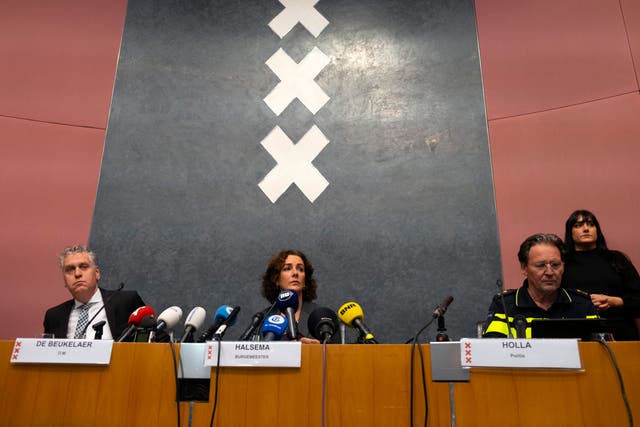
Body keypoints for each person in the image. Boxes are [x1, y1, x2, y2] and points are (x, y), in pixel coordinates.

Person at [483, 233, 598, 338]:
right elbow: (491, 353)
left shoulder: (582, 304)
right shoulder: (504, 304)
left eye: (555, 265)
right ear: (524, 268)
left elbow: (600, 354)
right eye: (540, 265)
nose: (549, 272)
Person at [562, 210, 640, 340]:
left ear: (597, 230)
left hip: (619, 332)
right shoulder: (562, 263)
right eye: (578, 225)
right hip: (576, 333)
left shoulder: (617, 259)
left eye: (591, 224)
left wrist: (615, 301)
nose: (586, 229)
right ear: (570, 232)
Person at [43, 245, 145, 340]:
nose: (77, 274)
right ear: (64, 280)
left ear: (97, 273)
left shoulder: (126, 302)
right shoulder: (54, 316)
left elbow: (150, 341)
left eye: (83, 267)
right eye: (70, 269)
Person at [259, 249, 338, 344]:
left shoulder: (322, 316)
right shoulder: (262, 318)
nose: (295, 273)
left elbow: (339, 352)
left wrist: (317, 350)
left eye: (300, 269)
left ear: (305, 281)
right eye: (287, 268)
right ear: (276, 280)